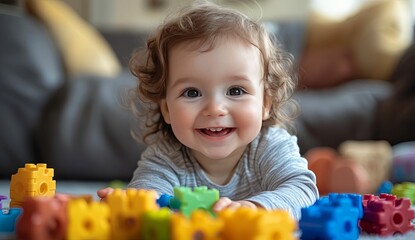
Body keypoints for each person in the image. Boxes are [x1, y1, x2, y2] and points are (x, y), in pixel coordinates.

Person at [97, 0, 318, 219]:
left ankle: (327, 165)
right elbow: (149, 193)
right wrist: (131, 204)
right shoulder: (167, 157)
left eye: (235, 91)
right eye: (192, 93)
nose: (215, 109)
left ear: (265, 104)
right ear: (166, 109)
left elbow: (303, 191)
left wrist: (255, 207)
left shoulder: (269, 147)